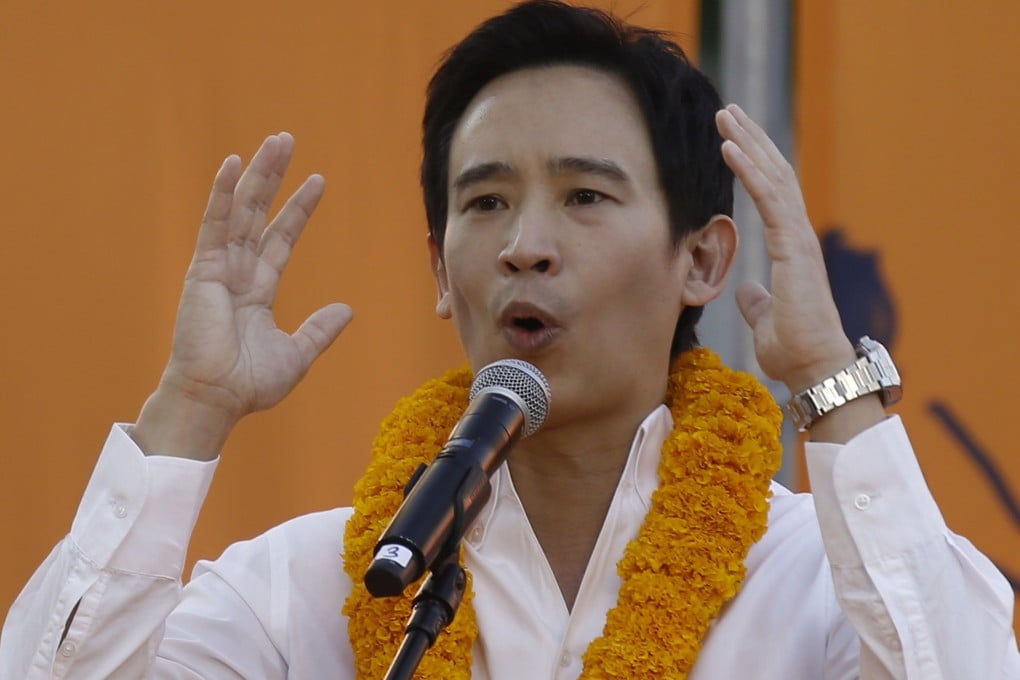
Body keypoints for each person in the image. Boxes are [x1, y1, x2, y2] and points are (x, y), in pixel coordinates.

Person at [2, 1, 1017, 677]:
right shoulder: (311, 589)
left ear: (704, 260)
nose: (525, 245)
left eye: (584, 196)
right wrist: (187, 410)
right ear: (442, 272)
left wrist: (833, 384)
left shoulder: (814, 581)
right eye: (485, 202)